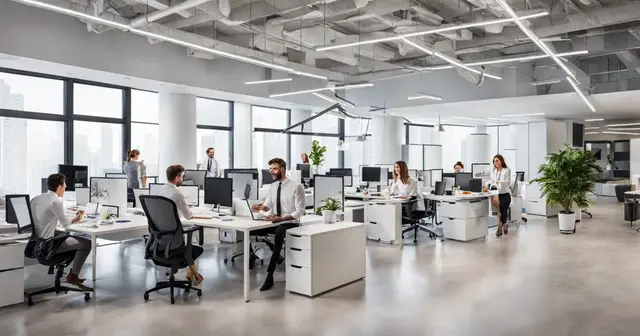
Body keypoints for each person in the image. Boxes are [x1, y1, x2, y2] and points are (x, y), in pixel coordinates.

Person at [251, 158, 305, 291]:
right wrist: (261, 208)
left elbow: (300, 211)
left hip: (290, 221)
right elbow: (268, 203)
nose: (271, 172)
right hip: (275, 220)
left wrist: (281, 219)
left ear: (282, 169)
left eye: (274, 169)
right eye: (270, 169)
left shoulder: (296, 186)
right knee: (252, 231)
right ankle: (274, 256)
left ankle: (269, 275)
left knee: (279, 232)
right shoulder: (273, 186)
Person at [30, 173, 90, 285]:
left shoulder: (36, 199)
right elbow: (66, 224)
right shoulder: (55, 202)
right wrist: (78, 217)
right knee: (87, 243)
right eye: (64, 186)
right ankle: (73, 275)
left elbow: (44, 219)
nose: (66, 188)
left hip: (37, 244)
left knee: (74, 237)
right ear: (59, 187)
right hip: (49, 246)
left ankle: (67, 273)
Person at [154, 165, 207, 284]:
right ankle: (194, 274)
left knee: (187, 242)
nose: (182, 179)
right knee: (193, 245)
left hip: (158, 241)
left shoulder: (159, 190)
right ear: (177, 178)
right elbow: (188, 216)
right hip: (174, 243)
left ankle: (193, 274)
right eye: (182, 177)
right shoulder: (177, 193)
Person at [488, 154, 512, 236]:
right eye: (494, 161)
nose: (496, 163)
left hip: (505, 194)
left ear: (501, 161)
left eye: (497, 161)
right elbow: (492, 181)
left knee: (502, 207)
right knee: (500, 209)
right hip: (497, 194)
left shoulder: (507, 170)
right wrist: (486, 184)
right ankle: (503, 224)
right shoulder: (495, 171)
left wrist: (499, 183)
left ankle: (501, 226)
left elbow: (507, 182)